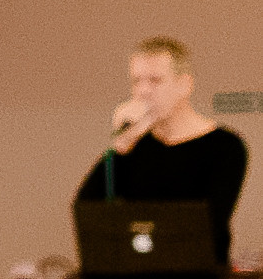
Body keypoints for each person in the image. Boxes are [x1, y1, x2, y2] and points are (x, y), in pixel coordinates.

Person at [76, 37, 247, 264]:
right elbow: (87, 208)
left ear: (184, 85)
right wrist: (123, 144)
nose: (143, 91)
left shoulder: (225, 146)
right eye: (136, 81)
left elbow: (208, 223)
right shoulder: (132, 148)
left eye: (155, 81)